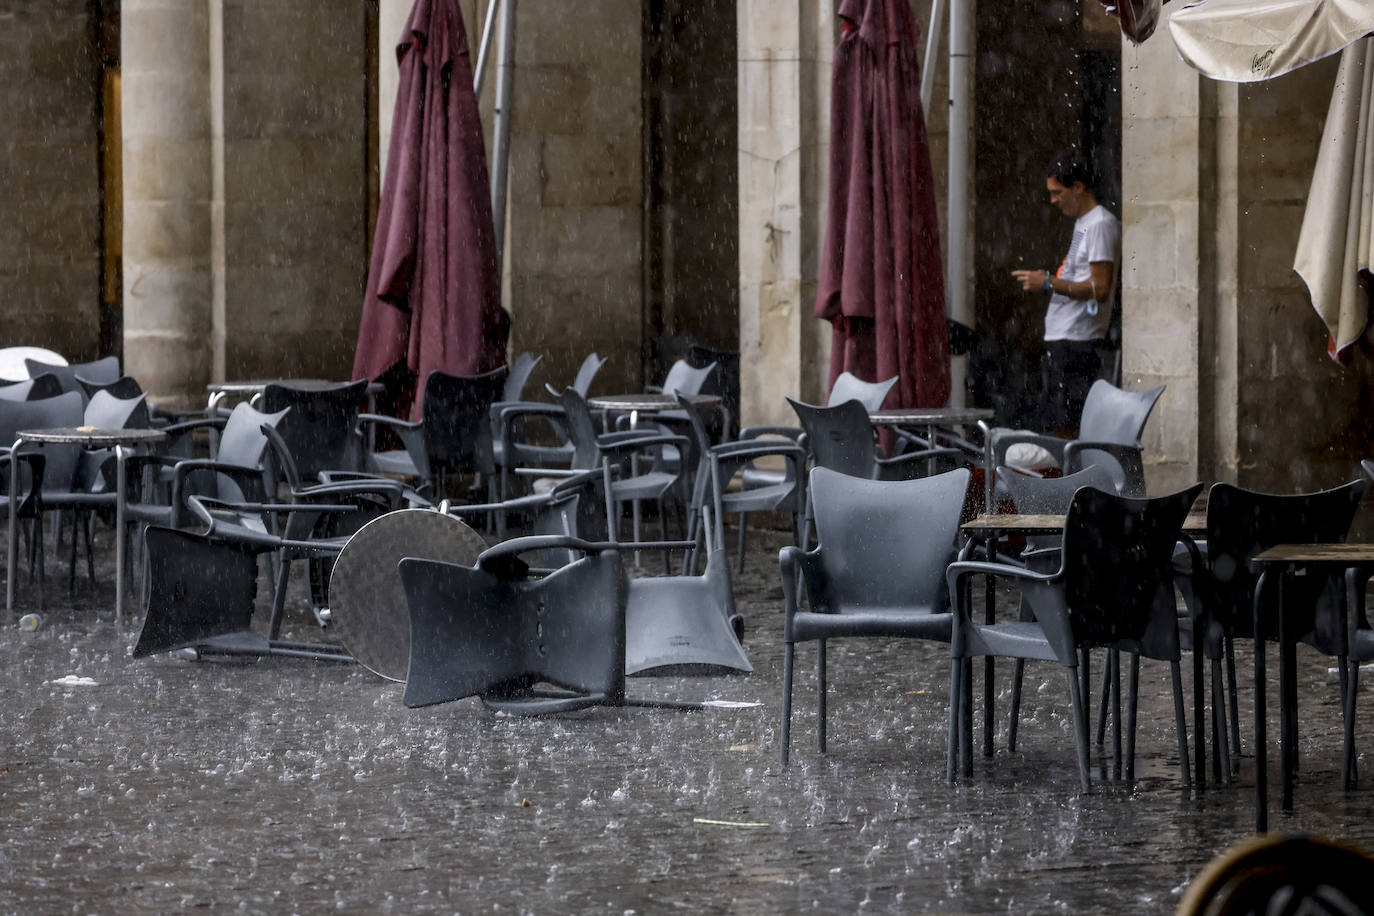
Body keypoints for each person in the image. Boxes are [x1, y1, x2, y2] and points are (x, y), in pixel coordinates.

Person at [1011, 152, 1120, 434]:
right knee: (1054, 420)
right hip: (1065, 339)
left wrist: (1047, 282)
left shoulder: (1100, 223)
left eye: (1058, 192)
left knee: (1067, 424)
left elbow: (1100, 288)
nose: (1053, 200)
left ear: (1079, 187)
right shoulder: (1085, 222)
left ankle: (1070, 477)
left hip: (1077, 341)